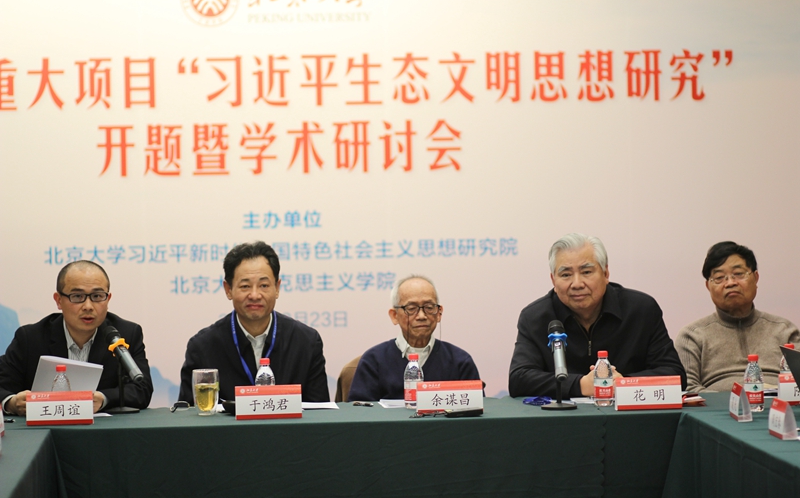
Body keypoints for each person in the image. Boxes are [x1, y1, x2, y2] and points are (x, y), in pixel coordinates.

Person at [508, 233, 686, 398]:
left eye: (586, 272)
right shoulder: (535, 317)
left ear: (606, 273)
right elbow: (519, 379)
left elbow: (675, 374)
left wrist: (623, 383)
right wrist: (580, 385)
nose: (577, 284)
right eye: (566, 274)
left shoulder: (641, 310)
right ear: (553, 280)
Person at [178, 241, 329, 403]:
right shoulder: (202, 347)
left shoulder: (306, 342)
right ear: (228, 290)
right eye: (245, 286)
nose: (255, 295)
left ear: (277, 288)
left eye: (264, 285)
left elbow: (319, 412)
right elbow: (189, 413)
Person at [0, 260, 153, 415]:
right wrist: (11, 403)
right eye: (77, 296)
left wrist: (104, 398)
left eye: (97, 296)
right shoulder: (30, 338)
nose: (88, 306)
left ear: (108, 299)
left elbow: (143, 388)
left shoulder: (125, 334)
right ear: (58, 300)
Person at [676, 241, 800, 392]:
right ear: (708, 286)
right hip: (716, 407)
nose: (730, 283)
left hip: (780, 404)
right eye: (719, 277)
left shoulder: (785, 330)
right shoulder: (692, 336)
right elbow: (688, 389)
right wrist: (733, 400)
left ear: (755, 278)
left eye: (739, 274)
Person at [348, 275, 481, 401]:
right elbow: (360, 413)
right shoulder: (373, 361)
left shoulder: (460, 362)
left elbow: (476, 411)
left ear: (439, 313)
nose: (421, 316)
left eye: (429, 307)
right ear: (394, 316)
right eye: (411, 308)